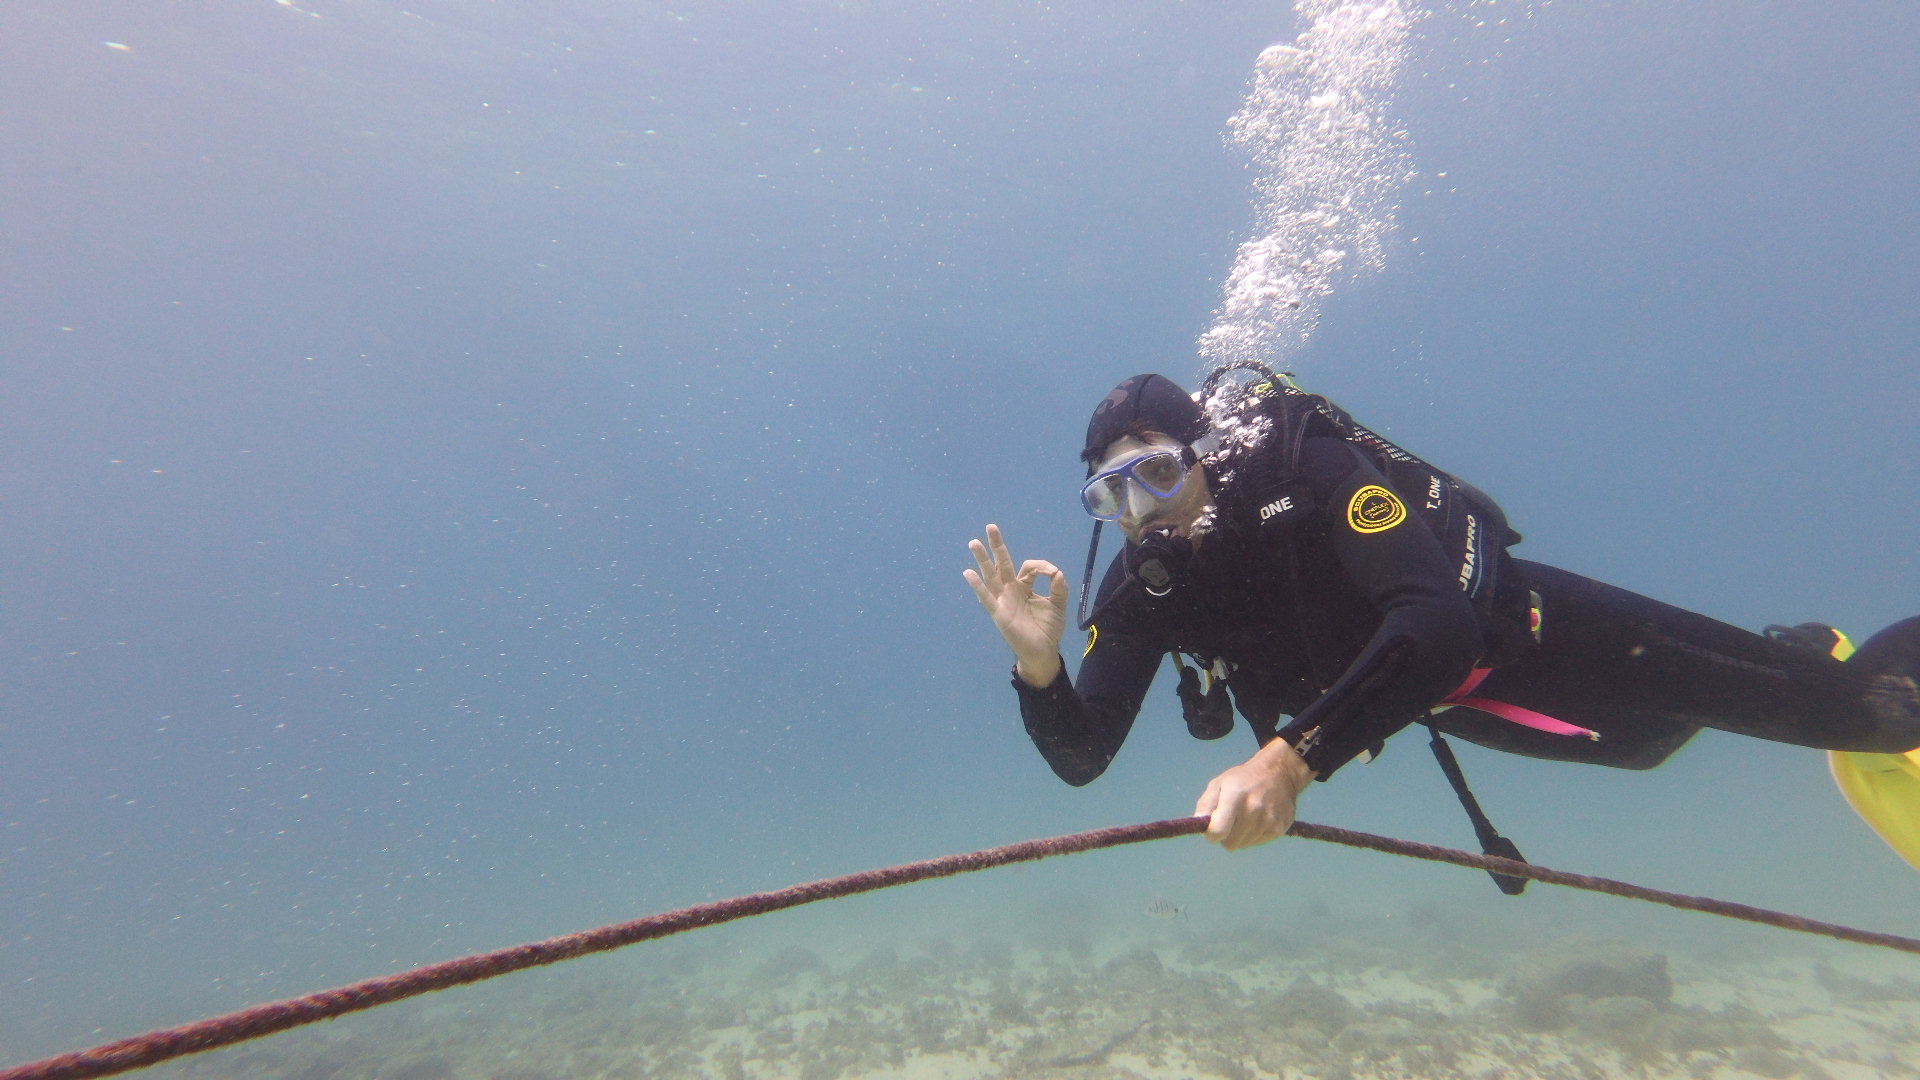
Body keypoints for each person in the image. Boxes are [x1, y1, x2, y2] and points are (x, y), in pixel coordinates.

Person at [964, 368, 1920, 860]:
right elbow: (1083, 756)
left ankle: (1835, 671)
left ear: (1206, 452)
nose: (1142, 514)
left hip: (1527, 626)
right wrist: (1038, 670)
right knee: (1648, 745)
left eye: (1159, 474)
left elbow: (1438, 624)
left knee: (1866, 713)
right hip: (1451, 698)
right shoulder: (1143, 590)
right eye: (1110, 496)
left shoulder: (1304, 469)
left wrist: (1286, 763)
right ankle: (1796, 659)